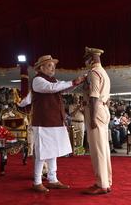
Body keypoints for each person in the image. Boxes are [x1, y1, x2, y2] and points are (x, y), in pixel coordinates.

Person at [31, 54, 85, 193]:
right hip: (43, 121)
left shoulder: (52, 80)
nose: (53, 68)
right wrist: (73, 81)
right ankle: (37, 182)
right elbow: (52, 88)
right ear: (41, 67)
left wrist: (75, 83)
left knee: (52, 151)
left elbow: (62, 89)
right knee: (42, 152)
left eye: (54, 66)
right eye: (50, 65)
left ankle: (53, 179)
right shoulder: (38, 80)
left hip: (55, 119)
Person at [82, 47, 112, 195]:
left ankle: (101, 184)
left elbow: (94, 97)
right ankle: (106, 182)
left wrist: (92, 117)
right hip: (103, 109)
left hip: (95, 110)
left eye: (86, 59)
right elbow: (107, 98)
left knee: (97, 150)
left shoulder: (93, 73)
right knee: (104, 148)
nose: (85, 62)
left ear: (92, 59)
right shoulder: (104, 73)